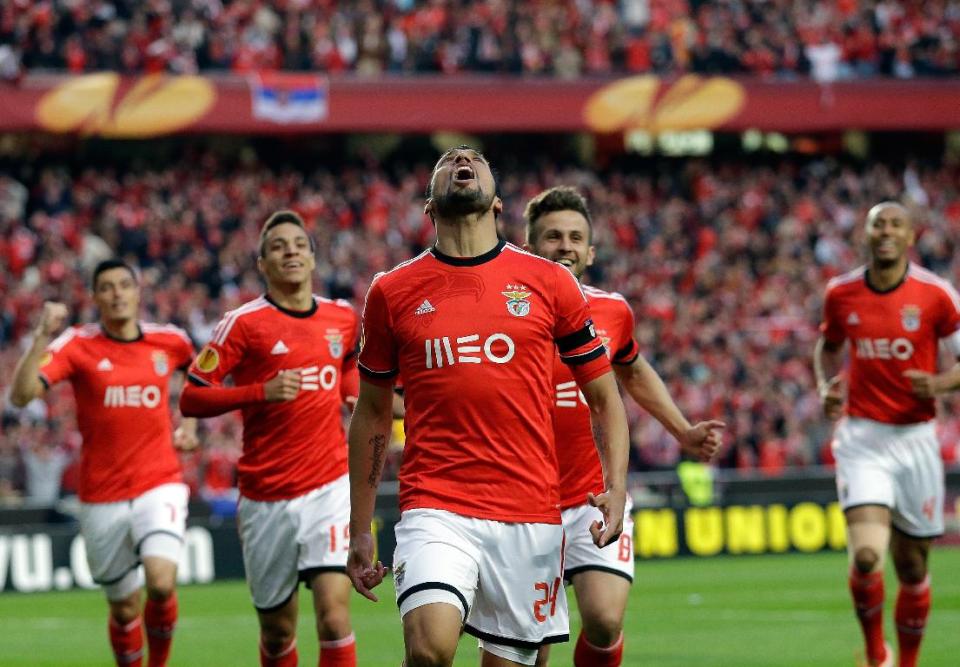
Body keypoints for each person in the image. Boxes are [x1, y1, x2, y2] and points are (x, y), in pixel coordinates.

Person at [346, 146, 631, 667]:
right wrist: (359, 527)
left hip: (529, 511)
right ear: (429, 207)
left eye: (474, 159)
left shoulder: (550, 283)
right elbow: (370, 413)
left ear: (498, 204)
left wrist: (616, 485)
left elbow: (604, 395)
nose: (461, 159)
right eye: (449, 160)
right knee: (429, 649)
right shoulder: (392, 291)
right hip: (435, 503)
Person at [523, 186, 724, 667]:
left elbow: (633, 370)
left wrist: (682, 430)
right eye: (552, 236)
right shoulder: (507, 315)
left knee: (605, 621)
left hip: (593, 495)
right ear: (529, 247)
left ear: (590, 252)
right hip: (522, 503)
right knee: (532, 643)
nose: (565, 245)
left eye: (575, 237)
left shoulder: (613, 311)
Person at [179, 210, 360, 667]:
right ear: (261, 263)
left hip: (330, 487)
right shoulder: (242, 324)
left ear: (314, 258)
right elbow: (191, 397)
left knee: (334, 619)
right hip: (266, 497)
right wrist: (261, 392)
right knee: (278, 634)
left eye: (299, 244)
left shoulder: (341, 318)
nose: (291, 252)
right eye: (278, 246)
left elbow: (349, 371)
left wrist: (353, 396)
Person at [9, 259, 197, 667]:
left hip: (159, 480)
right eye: (106, 287)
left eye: (124, 285)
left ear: (137, 292)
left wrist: (192, 424)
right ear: (94, 298)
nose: (116, 294)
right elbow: (21, 396)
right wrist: (42, 334)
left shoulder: (171, 340)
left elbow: (201, 378)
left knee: (161, 583)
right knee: (125, 608)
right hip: (102, 494)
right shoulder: (77, 344)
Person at [814, 201, 960, 667]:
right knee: (867, 558)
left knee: (913, 568)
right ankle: (878, 655)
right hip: (862, 439)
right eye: (879, 224)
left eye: (896, 224)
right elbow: (828, 346)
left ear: (911, 236)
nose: (886, 231)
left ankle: (909, 661)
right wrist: (825, 386)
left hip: (916, 439)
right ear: (867, 233)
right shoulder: (841, 293)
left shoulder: (936, 295)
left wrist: (939, 383)